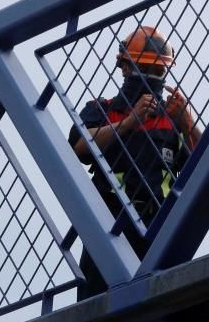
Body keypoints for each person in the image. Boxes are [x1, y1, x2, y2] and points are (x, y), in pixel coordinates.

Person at [68, 26, 201, 300]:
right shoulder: (103, 109)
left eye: (158, 72)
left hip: (159, 225)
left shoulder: (173, 117)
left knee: (164, 303)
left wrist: (187, 124)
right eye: (144, 68)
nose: (151, 78)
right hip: (108, 225)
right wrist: (128, 123)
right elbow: (79, 147)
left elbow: (206, 163)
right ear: (125, 67)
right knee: (95, 309)